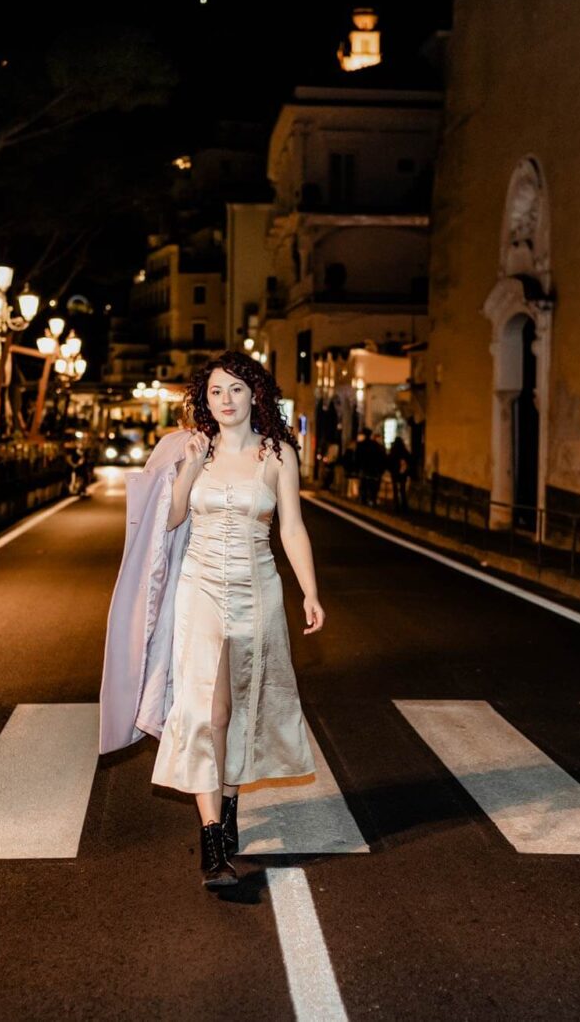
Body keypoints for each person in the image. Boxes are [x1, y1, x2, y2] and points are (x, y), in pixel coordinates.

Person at [100, 351, 324, 890]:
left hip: (259, 590)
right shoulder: (192, 449)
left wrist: (310, 592)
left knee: (242, 708)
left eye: (236, 390)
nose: (225, 401)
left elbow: (290, 528)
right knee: (208, 709)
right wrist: (192, 469)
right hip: (199, 589)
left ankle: (227, 810)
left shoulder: (278, 455)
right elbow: (171, 518)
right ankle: (211, 840)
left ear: (256, 397)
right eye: (216, 392)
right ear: (205, 399)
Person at [355, 428, 387, 506]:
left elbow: (357, 458)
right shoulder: (376, 445)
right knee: (373, 487)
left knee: (364, 485)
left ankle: (364, 500)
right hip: (374, 470)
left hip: (366, 469)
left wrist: (357, 467)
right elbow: (382, 458)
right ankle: (372, 499)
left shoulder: (361, 445)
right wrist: (381, 469)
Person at [388, 436, 413, 513]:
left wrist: (391, 470)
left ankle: (396, 506)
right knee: (402, 489)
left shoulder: (393, 451)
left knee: (395, 489)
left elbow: (389, 461)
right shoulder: (404, 450)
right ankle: (404, 506)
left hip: (394, 473)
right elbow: (410, 459)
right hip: (403, 473)